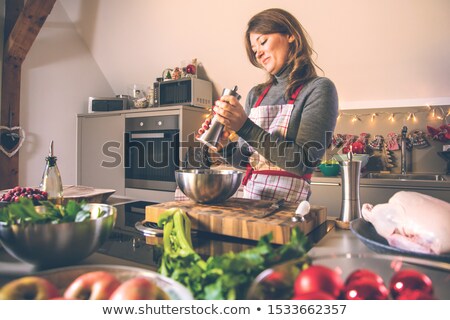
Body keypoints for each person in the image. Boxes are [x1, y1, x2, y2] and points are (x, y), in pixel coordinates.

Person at [197, 8, 338, 203]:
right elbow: (245, 162)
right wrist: (224, 147)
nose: (259, 53)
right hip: (251, 204)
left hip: (288, 210)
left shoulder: (318, 89)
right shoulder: (256, 95)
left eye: (263, 42)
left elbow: (303, 162)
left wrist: (244, 127)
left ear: (290, 35)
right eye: (255, 50)